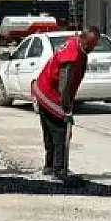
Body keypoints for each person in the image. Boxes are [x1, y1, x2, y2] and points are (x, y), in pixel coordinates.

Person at [31, 26, 100, 184]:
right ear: (82, 39)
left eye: (94, 45)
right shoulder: (72, 56)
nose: (92, 48)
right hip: (49, 93)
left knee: (50, 131)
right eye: (90, 44)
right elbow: (64, 85)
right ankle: (58, 169)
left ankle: (49, 165)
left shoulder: (75, 44)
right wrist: (67, 109)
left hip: (42, 89)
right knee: (60, 131)